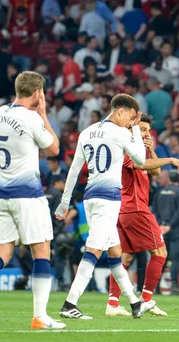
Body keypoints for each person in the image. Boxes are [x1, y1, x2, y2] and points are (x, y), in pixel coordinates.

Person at [0, 71, 64, 330]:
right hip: (28, 195)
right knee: (41, 252)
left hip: (1, 194)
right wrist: (43, 115)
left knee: (1, 253)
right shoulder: (30, 117)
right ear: (38, 93)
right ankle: (39, 316)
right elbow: (54, 149)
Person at [55, 94, 155, 320]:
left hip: (90, 197)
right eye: (131, 117)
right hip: (108, 199)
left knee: (115, 252)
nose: (131, 123)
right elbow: (140, 160)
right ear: (120, 111)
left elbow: (74, 169)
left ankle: (135, 302)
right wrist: (137, 130)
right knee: (94, 250)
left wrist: (64, 201)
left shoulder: (86, 132)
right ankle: (70, 303)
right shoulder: (120, 132)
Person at [106, 114, 179, 317]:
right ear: (131, 129)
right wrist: (171, 158)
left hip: (125, 209)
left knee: (125, 256)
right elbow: (141, 165)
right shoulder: (127, 147)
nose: (146, 133)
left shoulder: (138, 149)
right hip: (135, 208)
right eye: (142, 129)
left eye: (148, 131)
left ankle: (113, 303)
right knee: (160, 253)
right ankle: (146, 299)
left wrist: (151, 149)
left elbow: (155, 171)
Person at [153, 171, 179, 293]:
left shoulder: (159, 193)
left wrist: (160, 225)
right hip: (175, 229)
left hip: (160, 229)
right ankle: (174, 285)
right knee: (176, 257)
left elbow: (154, 211)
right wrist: (170, 226)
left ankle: (155, 285)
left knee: (160, 257)